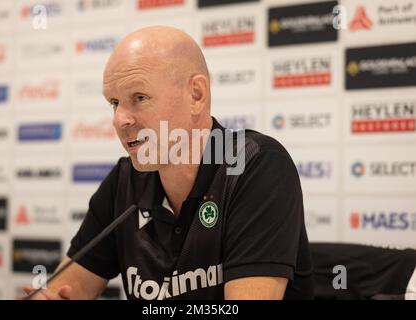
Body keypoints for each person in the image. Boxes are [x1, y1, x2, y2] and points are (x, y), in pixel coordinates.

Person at [23, 26, 314, 300]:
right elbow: (66, 289)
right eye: (114, 102)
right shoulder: (125, 180)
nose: (119, 119)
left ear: (196, 95)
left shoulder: (255, 165)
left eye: (139, 97)